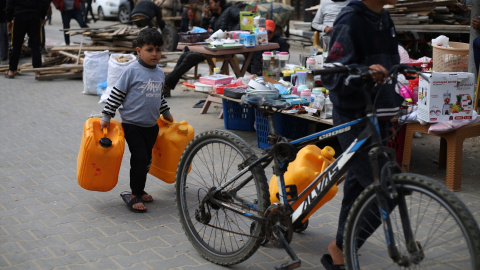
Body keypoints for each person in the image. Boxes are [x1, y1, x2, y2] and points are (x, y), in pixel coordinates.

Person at [320, 0, 403, 268]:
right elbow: (330, 76)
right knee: (390, 189)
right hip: (353, 116)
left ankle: (339, 250)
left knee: (357, 187)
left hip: (377, 115)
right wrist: (363, 73)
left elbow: (389, 68)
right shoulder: (350, 21)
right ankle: (342, 245)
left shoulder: (384, 20)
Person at [100, 28, 173, 213]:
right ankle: (134, 195)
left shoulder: (159, 73)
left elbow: (158, 96)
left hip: (151, 125)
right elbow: (117, 94)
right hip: (132, 125)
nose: (154, 54)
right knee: (139, 158)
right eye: (149, 50)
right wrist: (107, 116)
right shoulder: (131, 71)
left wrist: (166, 113)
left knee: (147, 159)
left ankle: (139, 189)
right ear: (138, 51)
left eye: (158, 49)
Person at [163, 0, 240, 96]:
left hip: (226, 48)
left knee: (190, 57)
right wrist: (206, 18)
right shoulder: (215, 17)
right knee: (185, 55)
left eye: (211, 3)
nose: (209, 6)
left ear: (218, 2)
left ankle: (166, 84)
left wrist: (231, 34)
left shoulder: (231, 9)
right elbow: (206, 33)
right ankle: (168, 85)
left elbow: (242, 19)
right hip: (213, 47)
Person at [4, 0, 50, 78]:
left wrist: (9, 19)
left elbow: (10, 3)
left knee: (16, 45)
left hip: (19, 16)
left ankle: (11, 71)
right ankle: (37, 71)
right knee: (35, 45)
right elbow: (45, 2)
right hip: (34, 16)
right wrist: (42, 16)